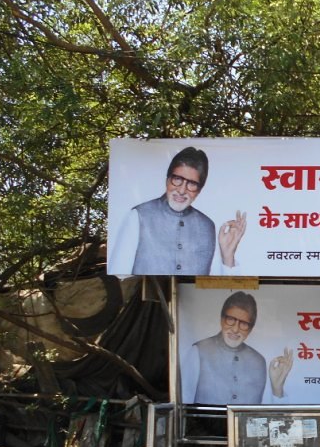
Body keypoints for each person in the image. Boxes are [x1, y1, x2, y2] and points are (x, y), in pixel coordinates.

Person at [109, 146, 247, 275]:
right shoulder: (138, 216)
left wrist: (228, 256)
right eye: (177, 179)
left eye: (192, 184)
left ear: (199, 190)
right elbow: (118, 276)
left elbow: (222, 288)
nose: (181, 190)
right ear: (167, 180)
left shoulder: (208, 226)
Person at [181, 292, 293, 405]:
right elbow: (182, 405)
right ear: (221, 319)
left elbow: (267, 417)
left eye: (244, 324)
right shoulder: (198, 351)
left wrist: (277, 388)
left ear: (250, 329)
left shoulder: (258, 361)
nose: (235, 329)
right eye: (230, 319)